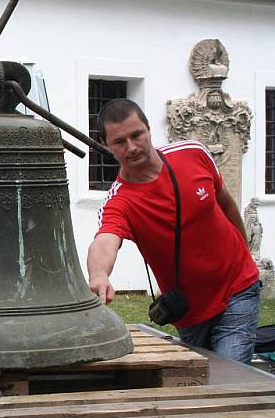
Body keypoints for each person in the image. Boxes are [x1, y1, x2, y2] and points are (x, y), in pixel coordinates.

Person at [86, 98, 260, 364]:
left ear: (148, 129)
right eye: (120, 142)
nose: (132, 147)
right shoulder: (119, 201)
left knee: (229, 373)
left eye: (137, 135)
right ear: (107, 145)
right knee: (196, 379)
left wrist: (245, 254)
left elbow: (224, 200)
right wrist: (99, 275)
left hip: (238, 286)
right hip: (188, 311)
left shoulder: (193, 153)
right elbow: (106, 240)